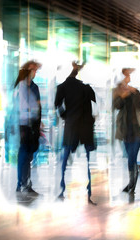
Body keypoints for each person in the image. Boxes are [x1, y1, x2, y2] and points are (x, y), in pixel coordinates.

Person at [54, 62, 97, 205]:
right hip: (85, 128)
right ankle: (89, 193)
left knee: (65, 160)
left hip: (71, 127)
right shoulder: (86, 88)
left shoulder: (62, 87)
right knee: (87, 162)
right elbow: (95, 105)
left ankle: (62, 190)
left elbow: (57, 105)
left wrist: (65, 116)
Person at [113, 68, 140, 196]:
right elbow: (116, 106)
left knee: (132, 158)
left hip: (137, 132)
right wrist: (123, 95)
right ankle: (131, 183)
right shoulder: (118, 94)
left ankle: (132, 184)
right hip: (126, 132)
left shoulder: (135, 92)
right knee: (130, 159)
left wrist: (134, 92)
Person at [14, 60, 42, 196]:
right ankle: (20, 184)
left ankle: (26, 184)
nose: (35, 73)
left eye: (36, 70)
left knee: (28, 155)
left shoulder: (34, 87)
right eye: (33, 70)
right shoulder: (21, 86)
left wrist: (38, 122)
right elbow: (23, 107)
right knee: (24, 154)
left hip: (32, 125)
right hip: (24, 125)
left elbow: (37, 106)